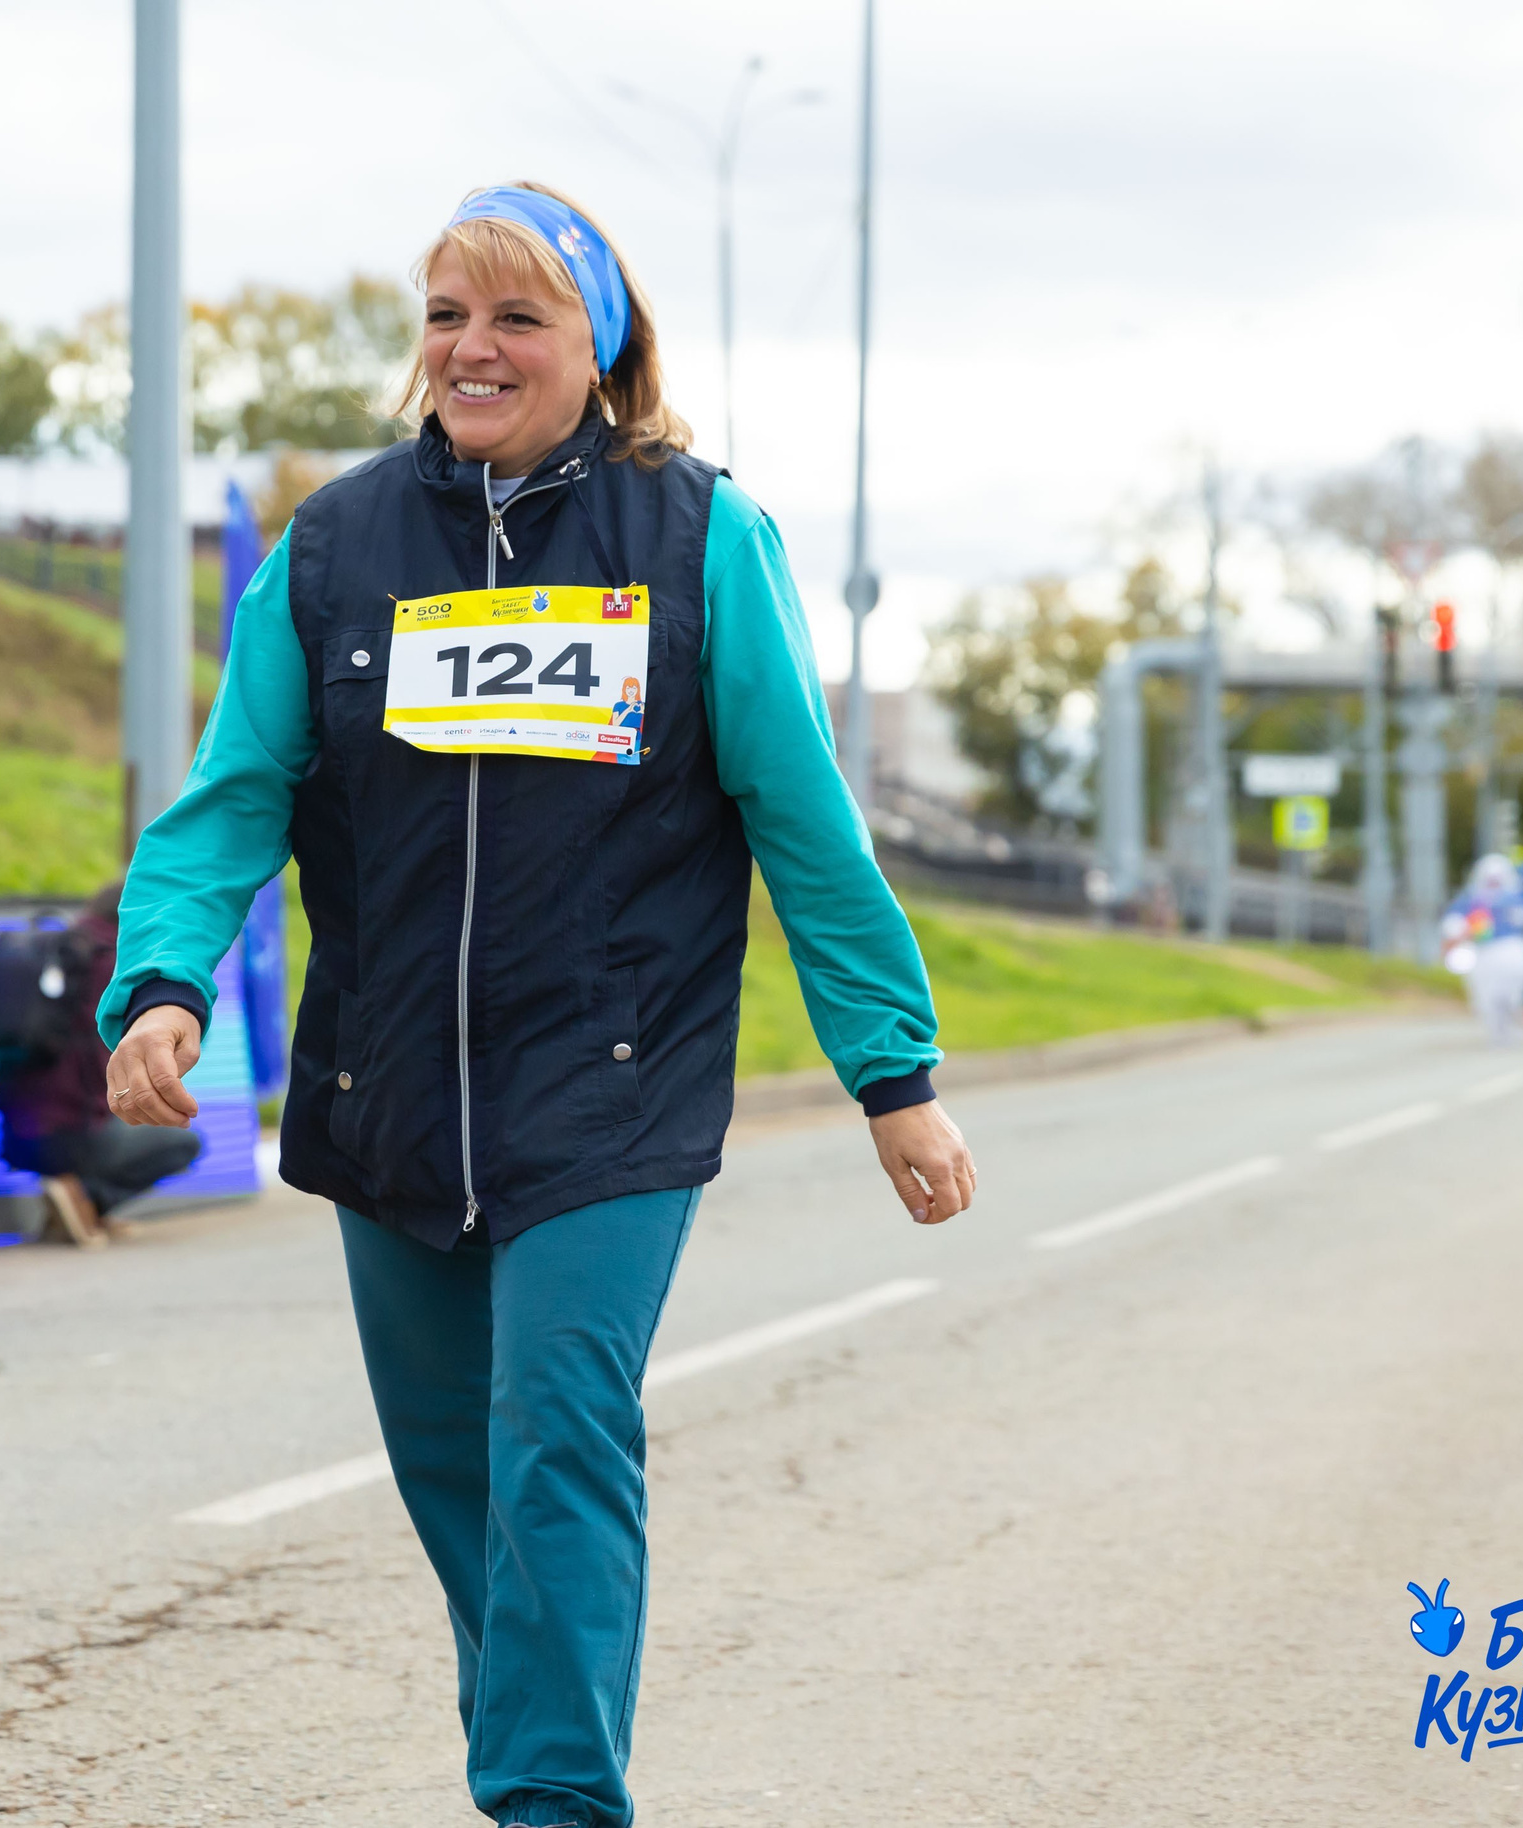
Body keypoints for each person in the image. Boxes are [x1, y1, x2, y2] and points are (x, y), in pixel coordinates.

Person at [99, 182, 975, 1828]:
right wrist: (164, 984)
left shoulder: (702, 538)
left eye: (518, 318)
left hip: (609, 1086)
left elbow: (802, 817)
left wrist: (893, 1070)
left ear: (601, 345)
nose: (475, 348)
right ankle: (538, 1759)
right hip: (390, 1090)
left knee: (557, 1438)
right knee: (456, 1481)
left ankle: (553, 1802)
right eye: (447, 314)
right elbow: (232, 798)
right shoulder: (336, 548)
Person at [0, 882, 202, 1240]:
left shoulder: (57, 951)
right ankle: (85, 1199)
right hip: (72, 1133)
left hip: (14, 1133)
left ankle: (73, 1207)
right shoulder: (113, 961)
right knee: (183, 1141)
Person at [1443, 853, 1523, 1046]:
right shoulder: (1470, 899)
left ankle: (1512, 1029)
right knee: (1487, 998)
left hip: (1513, 951)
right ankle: (1496, 1034)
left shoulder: (1517, 897)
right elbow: (1453, 923)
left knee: (1512, 997)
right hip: (1484, 954)